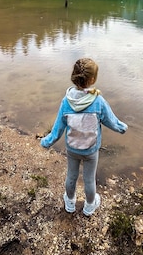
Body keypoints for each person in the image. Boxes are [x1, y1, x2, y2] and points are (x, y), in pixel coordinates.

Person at [40, 58, 128, 216]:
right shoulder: (98, 101)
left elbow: (58, 129)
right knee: (89, 179)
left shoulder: (66, 102)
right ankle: (89, 206)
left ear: (74, 76)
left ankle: (70, 203)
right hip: (91, 150)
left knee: (71, 176)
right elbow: (110, 120)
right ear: (92, 80)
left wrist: (47, 142)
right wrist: (121, 128)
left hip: (72, 148)